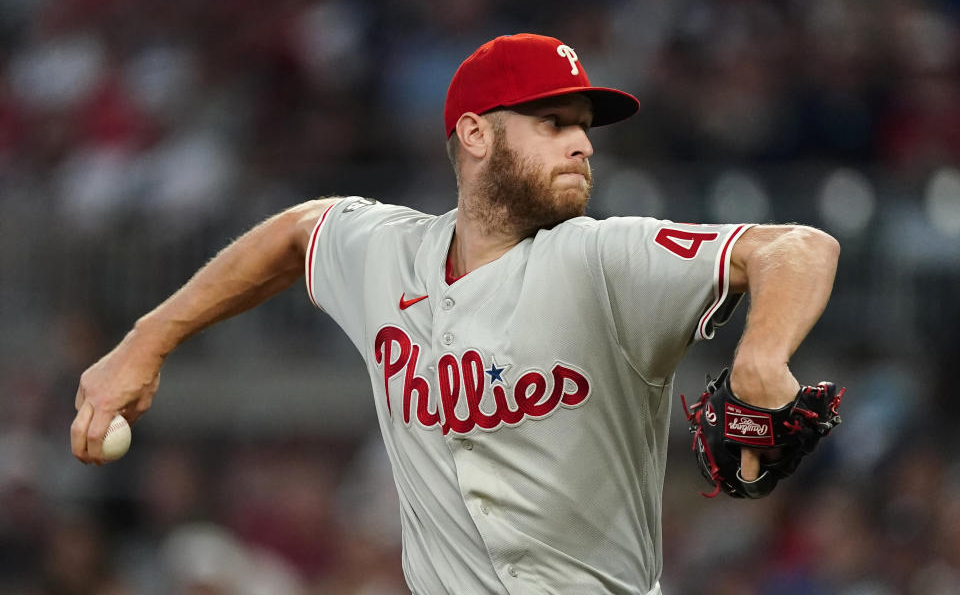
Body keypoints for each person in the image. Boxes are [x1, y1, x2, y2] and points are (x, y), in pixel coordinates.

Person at [71, 33, 840, 594]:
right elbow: (297, 231)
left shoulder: (606, 258)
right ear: (475, 133)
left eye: (584, 127)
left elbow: (796, 247)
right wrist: (148, 339)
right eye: (553, 123)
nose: (582, 145)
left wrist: (760, 357)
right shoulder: (387, 254)